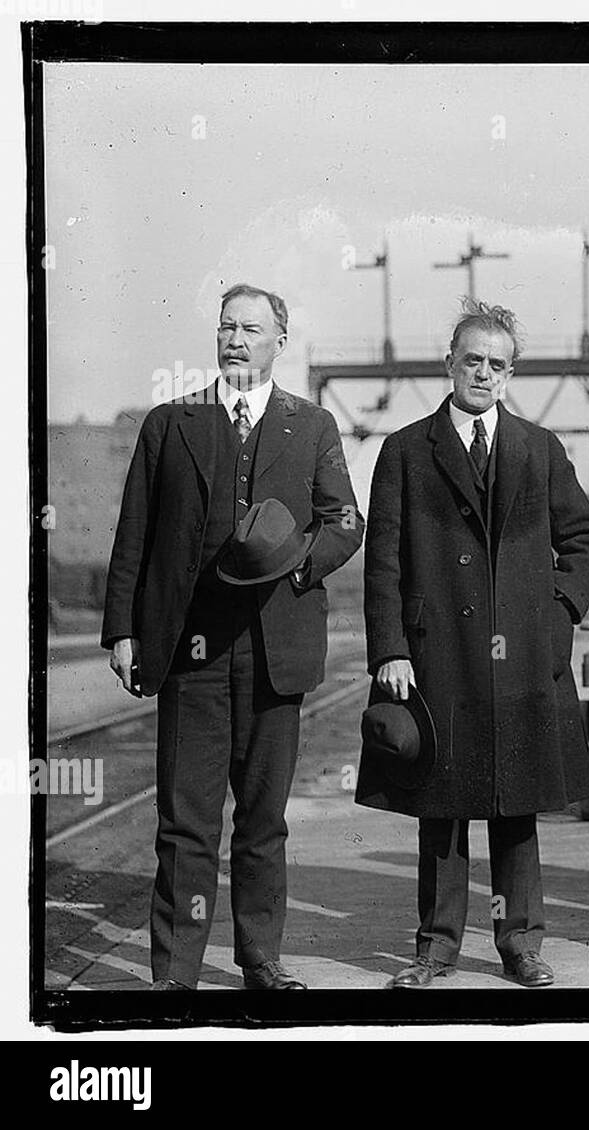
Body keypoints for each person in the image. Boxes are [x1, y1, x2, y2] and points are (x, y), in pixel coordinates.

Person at [102, 283, 364, 990]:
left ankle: (260, 963)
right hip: (189, 651)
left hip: (278, 652)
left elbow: (345, 522)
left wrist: (297, 565)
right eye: (226, 327)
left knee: (262, 820)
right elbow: (137, 533)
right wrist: (122, 631)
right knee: (185, 821)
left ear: (282, 340)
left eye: (251, 329)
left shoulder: (311, 427)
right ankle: (175, 974)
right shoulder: (171, 424)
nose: (236, 339)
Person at [356, 298, 589, 989]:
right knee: (441, 808)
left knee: (517, 804)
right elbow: (384, 561)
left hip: (523, 656)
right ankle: (434, 951)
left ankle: (519, 944)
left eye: (498, 364)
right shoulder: (406, 450)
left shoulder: (539, 448)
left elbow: (584, 543)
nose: (484, 374)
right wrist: (390, 650)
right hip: (438, 660)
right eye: (473, 360)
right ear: (450, 363)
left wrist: (556, 619)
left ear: (511, 373)